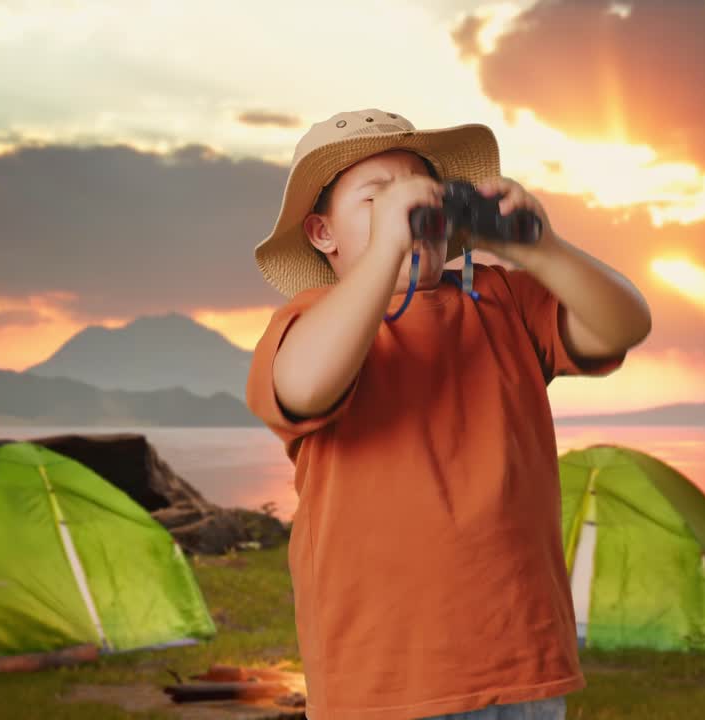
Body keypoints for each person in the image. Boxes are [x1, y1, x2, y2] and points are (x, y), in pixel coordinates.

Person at [246, 109, 652, 720]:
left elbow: (625, 324)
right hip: (382, 677)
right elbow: (304, 387)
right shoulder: (310, 323)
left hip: (522, 661)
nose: (406, 210)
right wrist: (386, 251)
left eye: (421, 196)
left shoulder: (504, 302)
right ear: (323, 233)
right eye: (376, 198)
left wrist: (543, 249)